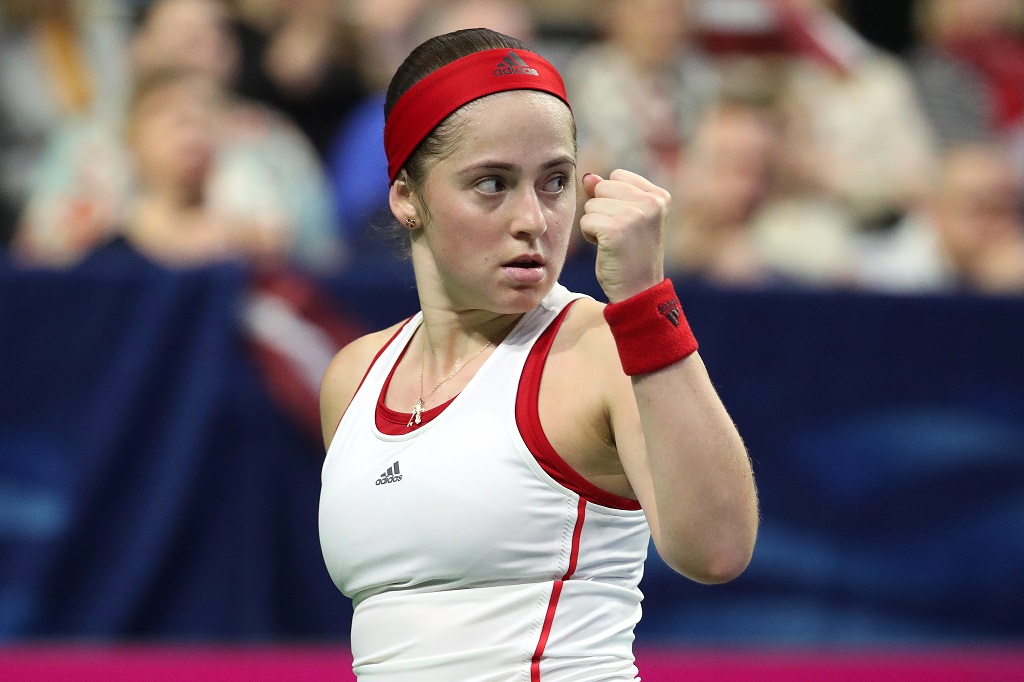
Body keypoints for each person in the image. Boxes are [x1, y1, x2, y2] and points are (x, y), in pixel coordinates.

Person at [318, 28, 759, 680]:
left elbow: (718, 550)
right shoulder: (353, 377)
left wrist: (645, 301)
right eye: (492, 184)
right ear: (408, 197)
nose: (534, 218)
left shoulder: (603, 346)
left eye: (554, 182)